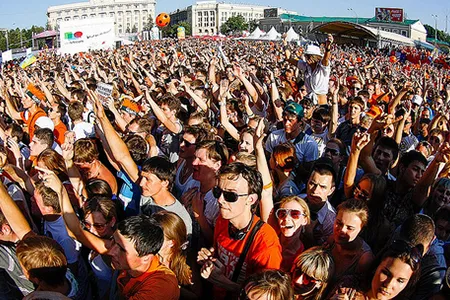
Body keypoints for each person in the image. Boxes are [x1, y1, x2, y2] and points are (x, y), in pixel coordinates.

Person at [198, 162, 282, 299]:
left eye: (230, 196)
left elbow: (268, 295)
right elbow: (218, 254)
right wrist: (209, 259)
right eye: (217, 191)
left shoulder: (266, 242)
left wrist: (225, 283)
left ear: (251, 199)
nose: (220, 200)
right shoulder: (223, 219)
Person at [331, 239, 422, 300]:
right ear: (377, 267)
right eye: (386, 273)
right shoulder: (347, 288)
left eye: (400, 280)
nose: (389, 284)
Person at [326, 199, 374, 293]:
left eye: (350, 228)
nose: (342, 230)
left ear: (361, 229)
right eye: (339, 223)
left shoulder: (364, 259)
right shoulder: (332, 240)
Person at [301, 160, 337, 248]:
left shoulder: (331, 221)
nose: (315, 190)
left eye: (323, 187)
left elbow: (322, 253)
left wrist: (309, 235)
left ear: (331, 190)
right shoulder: (298, 200)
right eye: (312, 183)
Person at [272, 195, 310, 272]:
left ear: (305, 220)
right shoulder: (270, 240)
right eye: (282, 214)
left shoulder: (305, 255)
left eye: (294, 214)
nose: (286, 218)